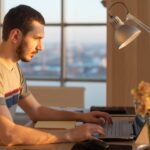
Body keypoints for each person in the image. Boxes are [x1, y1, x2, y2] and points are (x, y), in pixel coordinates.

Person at [0, 5, 112, 146]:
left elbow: (36, 111)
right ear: (15, 36)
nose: (41, 47)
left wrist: (82, 116)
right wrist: (71, 135)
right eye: (36, 38)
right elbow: (8, 134)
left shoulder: (13, 67)